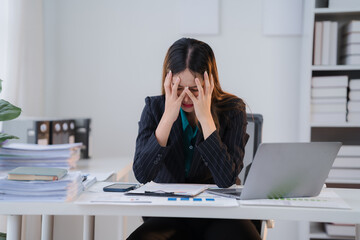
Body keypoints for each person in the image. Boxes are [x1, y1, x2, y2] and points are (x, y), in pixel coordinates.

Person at [128, 38, 261, 240]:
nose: (187, 97)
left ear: (210, 82)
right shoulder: (155, 108)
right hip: (169, 215)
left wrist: (206, 118)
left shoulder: (233, 110)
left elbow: (225, 179)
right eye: (179, 88)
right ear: (168, 81)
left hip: (219, 215)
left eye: (195, 89)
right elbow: (142, 174)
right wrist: (167, 118)